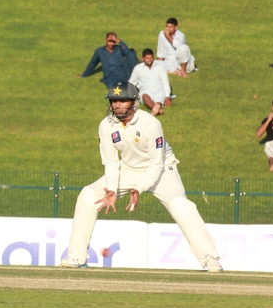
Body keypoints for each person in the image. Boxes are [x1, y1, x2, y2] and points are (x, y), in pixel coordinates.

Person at [60, 82, 223, 272]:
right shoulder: (106, 125)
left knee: (180, 205)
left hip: (162, 168)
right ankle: (76, 258)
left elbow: (156, 163)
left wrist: (139, 188)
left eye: (122, 101)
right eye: (114, 101)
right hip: (128, 168)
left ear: (134, 102)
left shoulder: (151, 123)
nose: (117, 105)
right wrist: (112, 189)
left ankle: (210, 259)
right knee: (88, 195)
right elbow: (111, 163)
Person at [129, 49, 172, 116]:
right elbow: (131, 83)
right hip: (146, 91)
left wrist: (167, 97)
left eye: (151, 58)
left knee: (159, 101)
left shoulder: (160, 68)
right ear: (143, 58)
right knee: (145, 97)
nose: (149, 60)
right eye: (147, 58)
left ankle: (155, 110)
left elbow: (165, 82)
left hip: (159, 91)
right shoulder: (138, 68)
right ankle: (157, 109)